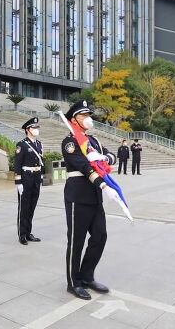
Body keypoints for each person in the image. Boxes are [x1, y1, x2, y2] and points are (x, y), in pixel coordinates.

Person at [61, 100, 117, 300]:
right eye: (83, 115)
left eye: (88, 115)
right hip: (78, 196)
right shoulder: (70, 142)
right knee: (76, 241)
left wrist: (104, 158)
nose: (88, 119)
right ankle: (73, 282)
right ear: (74, 120)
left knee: (100, 236)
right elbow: (84, 167)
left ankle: (86, 275)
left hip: (95, 198)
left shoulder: (93, 141)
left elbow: (111, 156)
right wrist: (103, 184)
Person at [14, 117, 44, 245]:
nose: (37, 130)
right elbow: (17, 164)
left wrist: (41, 176)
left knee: (32, 206)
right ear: (28, 130)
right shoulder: (21, 144)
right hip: (26, 177)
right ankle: (22, 234)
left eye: (37, 127)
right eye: (34, 128)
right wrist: (18, 182)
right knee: (24, 207)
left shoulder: (39, 144)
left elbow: (40, 162)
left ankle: (28, 232)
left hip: (36, 177)